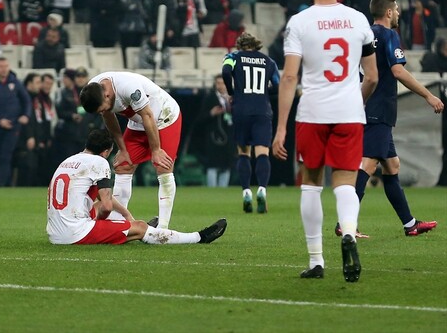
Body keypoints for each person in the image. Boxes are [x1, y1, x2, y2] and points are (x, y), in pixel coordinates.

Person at [272, 0, 378, 282]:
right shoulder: (359, 19)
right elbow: (372, 77)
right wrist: (352, 104)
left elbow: (290, 76)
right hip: (349, 112)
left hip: (313, 114)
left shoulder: (299, 22)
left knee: (311, 184)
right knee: (345, 182)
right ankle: (347, 232)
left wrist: (280, 128)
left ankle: (316, 260)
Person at [337, 0, 441, 237]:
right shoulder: (388, 35)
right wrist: (428, 95)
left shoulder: (364, 35)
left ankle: (410, 224)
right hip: (379, 108)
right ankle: (345, 223)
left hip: (367, 106)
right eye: (395, 9)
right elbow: (398, 70)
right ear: (388, 12)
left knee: (392, 165)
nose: (398, 13)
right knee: (368, 164)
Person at [46, 129, 228, 245]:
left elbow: (103, 200)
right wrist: (99, 223)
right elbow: (107, 206)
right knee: (140, 227)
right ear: (106, 151)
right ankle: (198, 237)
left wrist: (125, 214)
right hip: (73, 234)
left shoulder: (69, 160)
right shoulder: (99, 162)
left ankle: (125, 229)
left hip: (55, 232)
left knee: (101, 207)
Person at [80, 71, 181, 230]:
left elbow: (148, 115)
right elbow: (108, 117)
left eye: (101, 109)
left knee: (163, 166)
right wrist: (122, 149)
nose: (101, 112)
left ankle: (162, 229)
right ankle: (118, 223)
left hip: (164, 117)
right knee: (123, 165)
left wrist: (156, 150)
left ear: (107, 95)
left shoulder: (129, 88)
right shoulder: (93, 89)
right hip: (138, 121)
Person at [222, 32, 280, 213]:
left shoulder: (233, 57)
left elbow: (225, 72)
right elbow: (277, 85)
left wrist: (232, 92)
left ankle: (246, 191)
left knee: (244, 152)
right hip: (262, 111)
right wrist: (262, 92)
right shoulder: (269, 61)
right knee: (262, 152)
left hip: (241, 110)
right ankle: (262, 189)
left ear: (240, 46)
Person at [0, 57, 31, 187]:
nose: (4, 69)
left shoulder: (15, 83)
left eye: (6, 66)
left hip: (13, 126)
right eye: (1, 67)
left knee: (6, 155)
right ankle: (1, 183)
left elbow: (26, 101)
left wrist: (25, 115)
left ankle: (2, 184)